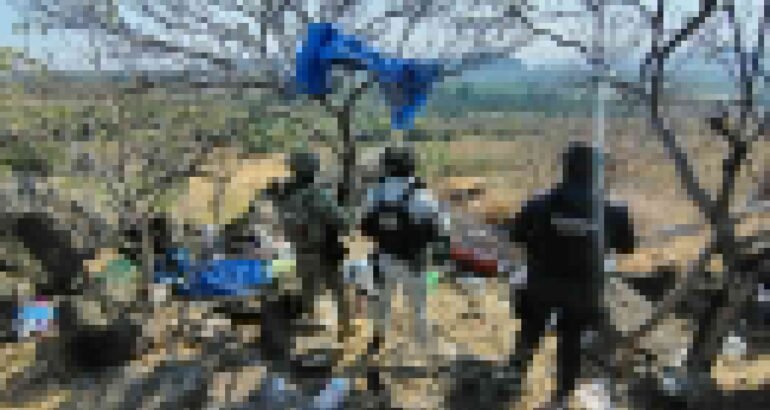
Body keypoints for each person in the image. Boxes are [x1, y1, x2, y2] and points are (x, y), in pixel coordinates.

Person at [504, 142, 636, 408]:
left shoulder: (539, 202)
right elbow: (627, 247)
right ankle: (561, 398)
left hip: (540, 284)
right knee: (572, 342)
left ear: (565, 167)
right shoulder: (613, 209)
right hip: (583, 291)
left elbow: (515, 236)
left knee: (529, 331)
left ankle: (511, 381)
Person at [360, 145, 450, 350]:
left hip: (383, 258)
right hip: (414, 262)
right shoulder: (421, 195)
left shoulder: (375, 192)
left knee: (382, 303)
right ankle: (423, 346)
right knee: (418, 308)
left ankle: (378, 338)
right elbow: (442, 228)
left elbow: (365, 224)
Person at [265, 150, 350, 341]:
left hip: (300, 250)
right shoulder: (316, 194)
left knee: (308, 290)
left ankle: (311, 323)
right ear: (312, 169)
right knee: (338, 290)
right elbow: (343, 222)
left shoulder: (285, 194)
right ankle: (345, 330)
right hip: (322, 250)